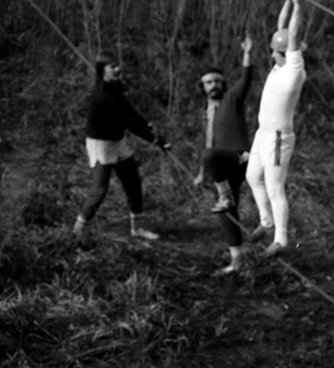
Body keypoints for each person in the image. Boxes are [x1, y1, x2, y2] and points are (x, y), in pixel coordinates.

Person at [73, 53, 170, 240]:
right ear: (102, 71)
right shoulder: (104, 97)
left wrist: (146, 123)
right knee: (99, 190)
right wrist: (157, 141)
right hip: (101, 144)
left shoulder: (115, 88)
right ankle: (76, 232)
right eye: (112, 66)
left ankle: (137, 229)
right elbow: (129, 123)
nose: (118, 69)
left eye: (118, 65)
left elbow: (130, 110)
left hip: (117, 140)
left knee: (133, 182)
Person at [245, 0, 306, 258]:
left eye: (274, 50)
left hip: (278, 137)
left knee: (274, 187)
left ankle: (280, 238)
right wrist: (289, 2)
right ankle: (266, 220)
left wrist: (299, 6)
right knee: (252, 177)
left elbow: (291, 34)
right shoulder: (279, 65)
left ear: (283, 53)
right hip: (263, 133)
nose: (270, 53)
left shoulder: (293, 71)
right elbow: (282, 27)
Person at [193, 33, 254, 275]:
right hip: (220, 165)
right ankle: (237, 260)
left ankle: (224, 195)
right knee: (227, 213)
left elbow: (246, 79)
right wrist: (201, 173)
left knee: (210, 158)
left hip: (239, 159)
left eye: (217, 81)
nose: (213, 85)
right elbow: (208, 144)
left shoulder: (232, 99)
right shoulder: (206, 112)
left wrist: (247, 52)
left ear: (223, 84)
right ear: (203, 87)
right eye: (208, 82)